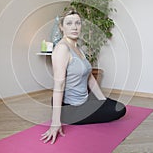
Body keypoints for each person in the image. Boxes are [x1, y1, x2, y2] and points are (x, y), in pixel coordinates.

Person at [40, 9, 126, 144]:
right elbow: (59, 84)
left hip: (84, 101)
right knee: (121, 110)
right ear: (61, 27)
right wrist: (55, 122)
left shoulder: (78, 48)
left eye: (78, 23)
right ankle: (63, 118)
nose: (74, 27)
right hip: (70, 108)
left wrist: (102, 101)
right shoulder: (62, 49)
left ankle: (97, 105)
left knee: (115, 106)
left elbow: (90, 78)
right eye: (69, 23)